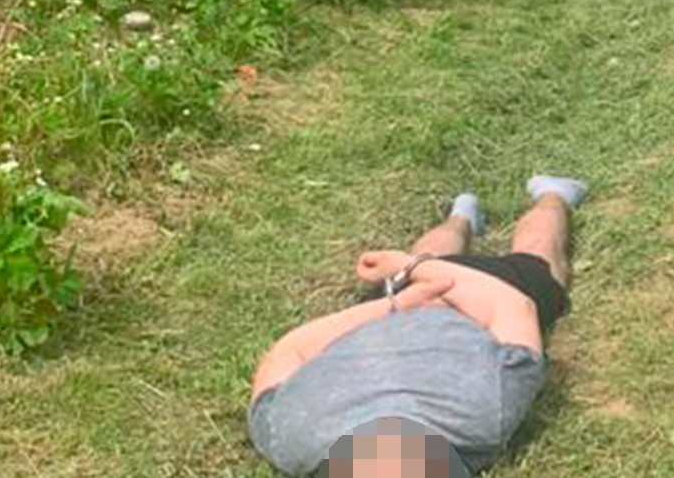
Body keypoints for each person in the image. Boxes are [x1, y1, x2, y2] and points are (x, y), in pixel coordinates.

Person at [246, 176, 589, 477]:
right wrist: (406, 278)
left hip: (453, 302)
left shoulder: (483, 416)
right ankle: (477, 214)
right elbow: (291, 350)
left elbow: (514, 308)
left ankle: (538, 197)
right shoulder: (292, 438)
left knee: (533, 256)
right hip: (430, 302)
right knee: (526, 254)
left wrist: (405, 294)